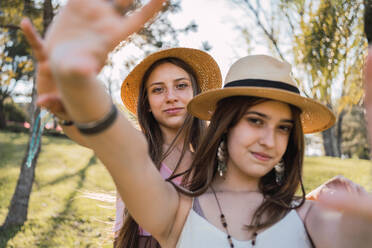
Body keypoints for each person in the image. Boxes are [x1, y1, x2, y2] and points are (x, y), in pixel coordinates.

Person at [20, 0, 372, 247]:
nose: (270, 139)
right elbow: (117, 144)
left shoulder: (310, 216)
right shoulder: (177, 208)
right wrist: (78, 84)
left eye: (283, 127)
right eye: (255, 120)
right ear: (227, 123)